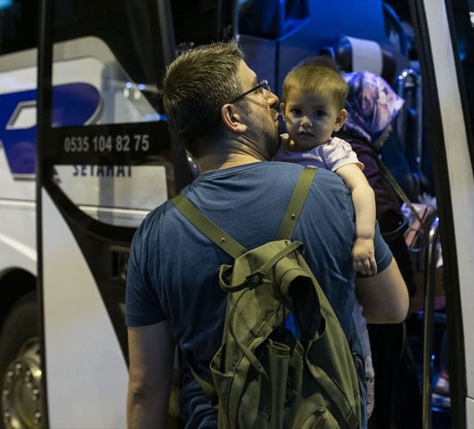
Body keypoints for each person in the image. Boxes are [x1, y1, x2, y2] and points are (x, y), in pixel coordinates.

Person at [125, 41, 409, 429]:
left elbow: (145, 389)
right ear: (233, 117)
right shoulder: (334, 193)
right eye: (258, 89)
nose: (273, 98)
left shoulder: (154, 235)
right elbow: (392, 307)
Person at [273, 56, 380, 416]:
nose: (306, 122)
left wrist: (364, 238)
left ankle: (360, 397)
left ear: (339, 120)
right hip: (288, 262)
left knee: (349, 329)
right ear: (282, 111)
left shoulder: (332, 150)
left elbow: (362, 190)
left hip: (329, 264)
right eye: (297, 111)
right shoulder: (275, 148)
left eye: (319, 113)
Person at [337, 70, 423, 428]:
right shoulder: (357, 156)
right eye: (386, 117)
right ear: (366, 112)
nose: (388, 128)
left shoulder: (335, 148)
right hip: (374, 302)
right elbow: (382, 219)